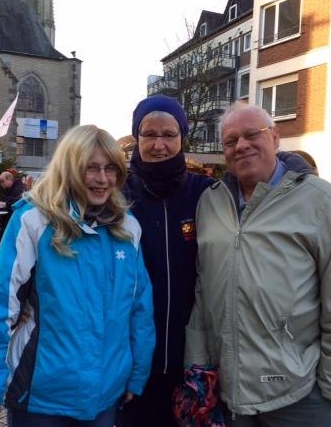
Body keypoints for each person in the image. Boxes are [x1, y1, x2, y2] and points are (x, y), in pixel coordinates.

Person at [184, 103, 331, 426]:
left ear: (275, 137)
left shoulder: (321, 201)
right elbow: (203, 291)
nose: (241, 145)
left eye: (251, 134)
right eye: (230, 141)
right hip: (230, 391)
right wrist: (199, 365)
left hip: (300, 392)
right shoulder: (211, 202)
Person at [0, 124, 156, 427]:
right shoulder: (33, 220)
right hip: (41, 395)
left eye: (110, 169)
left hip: (104, 394)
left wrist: (137, 373)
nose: (103, 179)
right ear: (69, 168)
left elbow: (139, 308)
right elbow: (0, 302)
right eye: (91, 168)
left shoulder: (128, 227)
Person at [118, 94, 214, 427]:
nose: (159, 144)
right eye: (149, 134)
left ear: (182, 138)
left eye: (169, 135)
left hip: (191, 358)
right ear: (136, 138)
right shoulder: (116, 196)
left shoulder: (207, 193)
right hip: (131, 359)